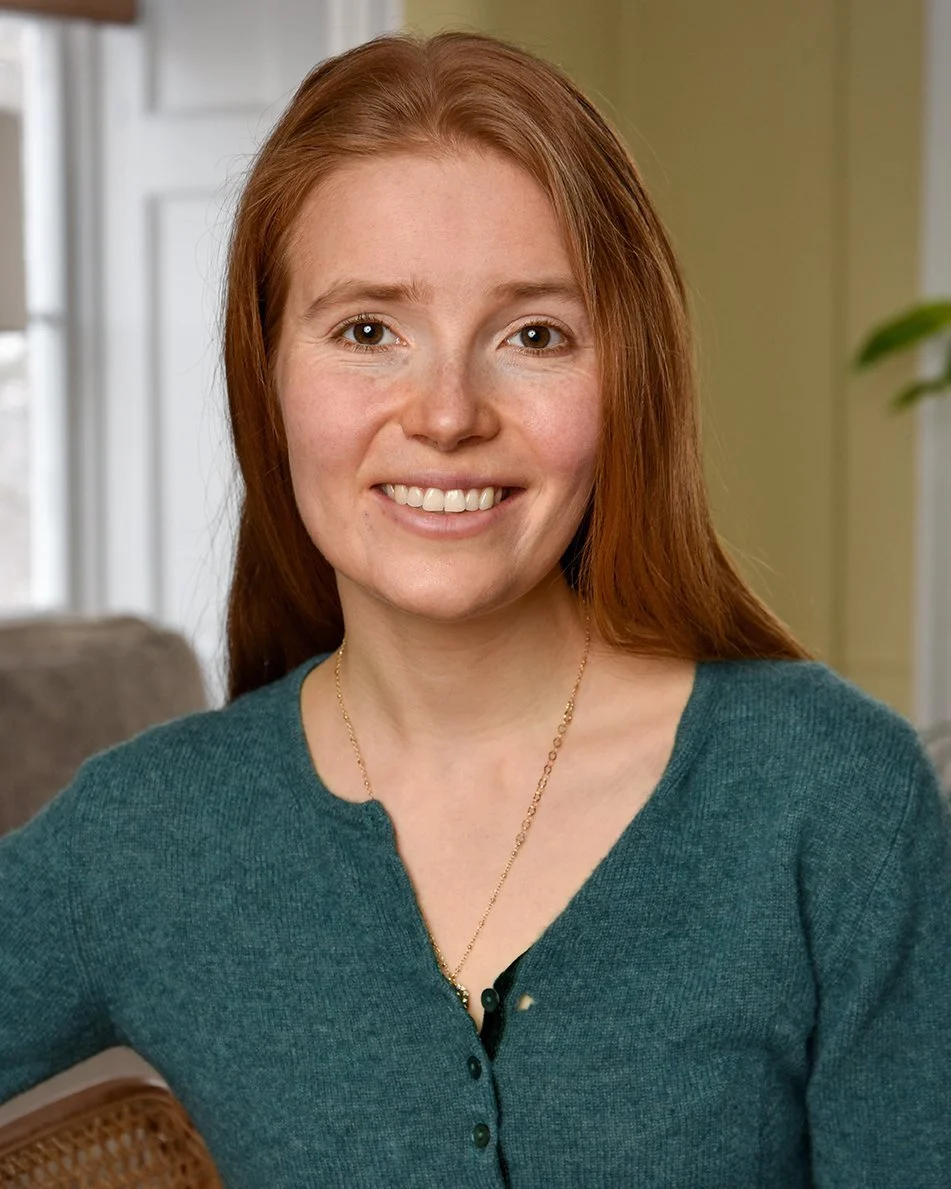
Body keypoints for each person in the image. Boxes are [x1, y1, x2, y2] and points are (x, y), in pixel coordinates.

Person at [2, 29, 950, 1189]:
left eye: (533, 335)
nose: (447, 413)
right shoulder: (149, 835)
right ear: (268, 374)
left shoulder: (834, 800)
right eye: (366, 332)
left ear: (627, 378)